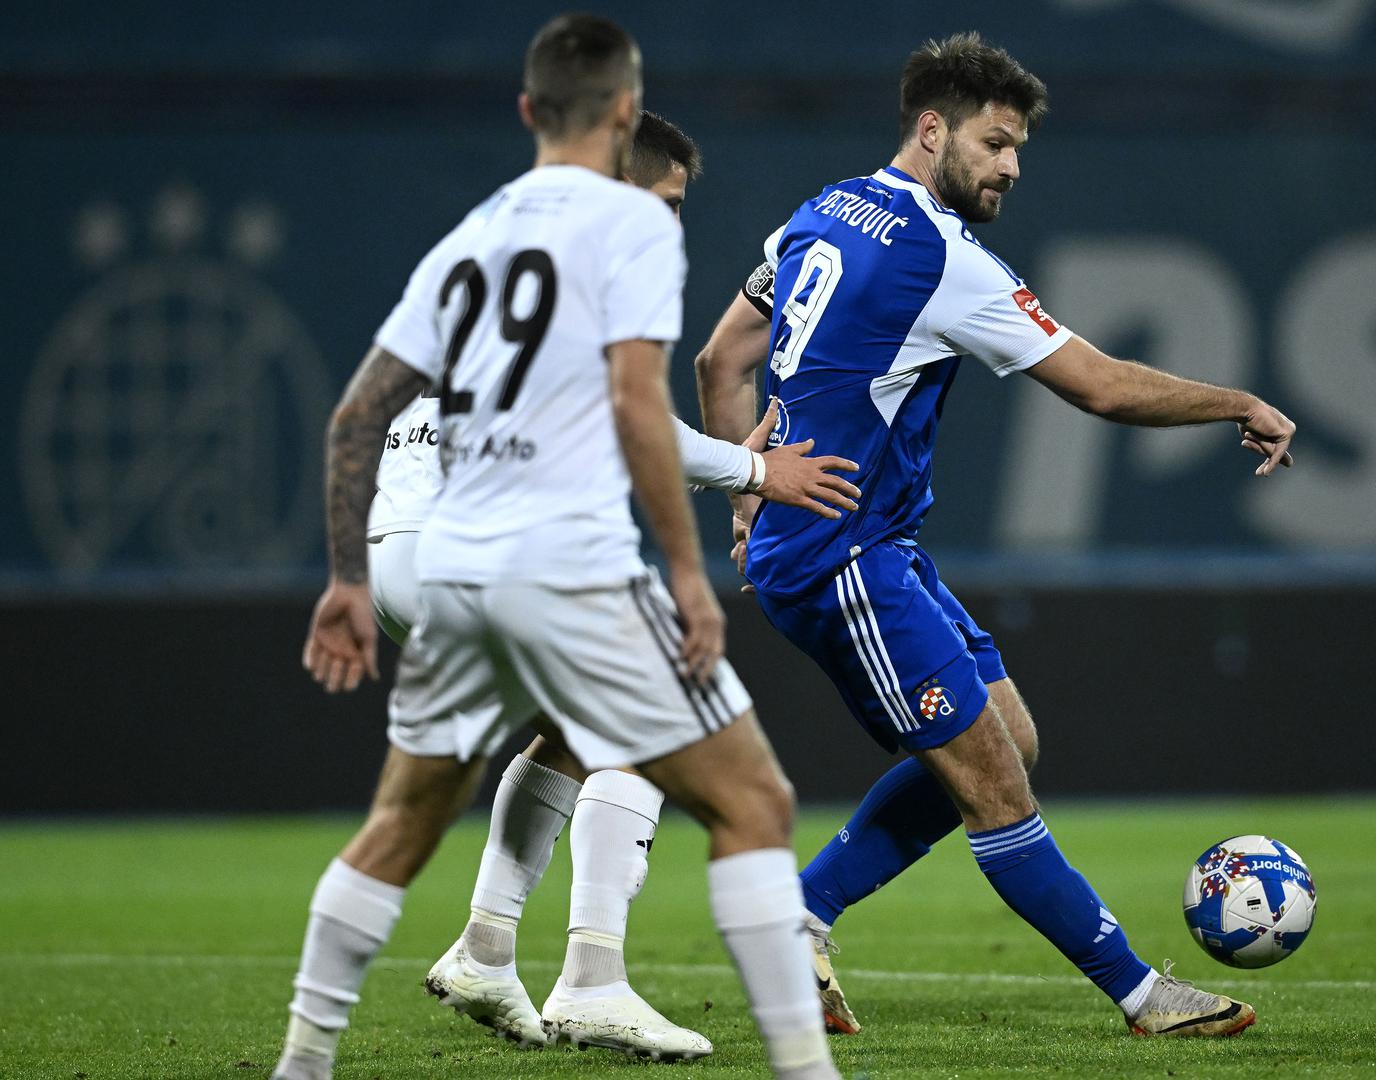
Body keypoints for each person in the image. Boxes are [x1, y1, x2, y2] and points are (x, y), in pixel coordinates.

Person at [696, 32, 1297, 1039]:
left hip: (862, 546)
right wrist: (1235, 400)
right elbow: (1100, 385)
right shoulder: (941, 257)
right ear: (931, 130)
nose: (1011, 166)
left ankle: (797, 915)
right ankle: (1141, 995)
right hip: (844, 558)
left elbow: (721, 359)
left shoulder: (819, 212)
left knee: (1009, 737)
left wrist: (744, 493)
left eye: (1017, 147)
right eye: (995, 142)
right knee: (991, 782)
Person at [275, 15, 840, 1080]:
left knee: (420, 813)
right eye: (671, 199)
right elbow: (632, 409)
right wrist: (731, 508)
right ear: (622, 119)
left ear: (530, 110)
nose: (670, 218)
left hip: (412, 556)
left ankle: (456, 969)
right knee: (743, 792)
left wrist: (349, 579)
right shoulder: (624, 232)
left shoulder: (471, 238)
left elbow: (354, 416)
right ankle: (598, 984)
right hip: (531, 559)